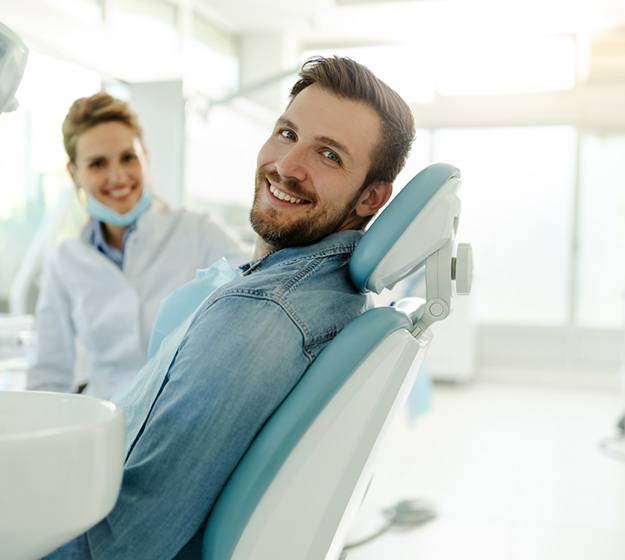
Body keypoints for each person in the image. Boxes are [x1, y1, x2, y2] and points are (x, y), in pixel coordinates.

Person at [45, 55, 416, 559]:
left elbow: (122, 541)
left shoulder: (263, 309)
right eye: (287, 134)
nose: (288, 166)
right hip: (104, 446)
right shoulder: (308, 293)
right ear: (75, 174)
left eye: (329, 155)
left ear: (372, 197)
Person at [26, 92, 247, 399]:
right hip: (104, 421)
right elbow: (48, 375)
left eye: (128, 157)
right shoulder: (65, 261)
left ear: (146, 156)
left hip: (183, 406)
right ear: (74, 173)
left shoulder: (199, 231)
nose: (117, 176)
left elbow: (252, 296)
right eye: (97, 164)